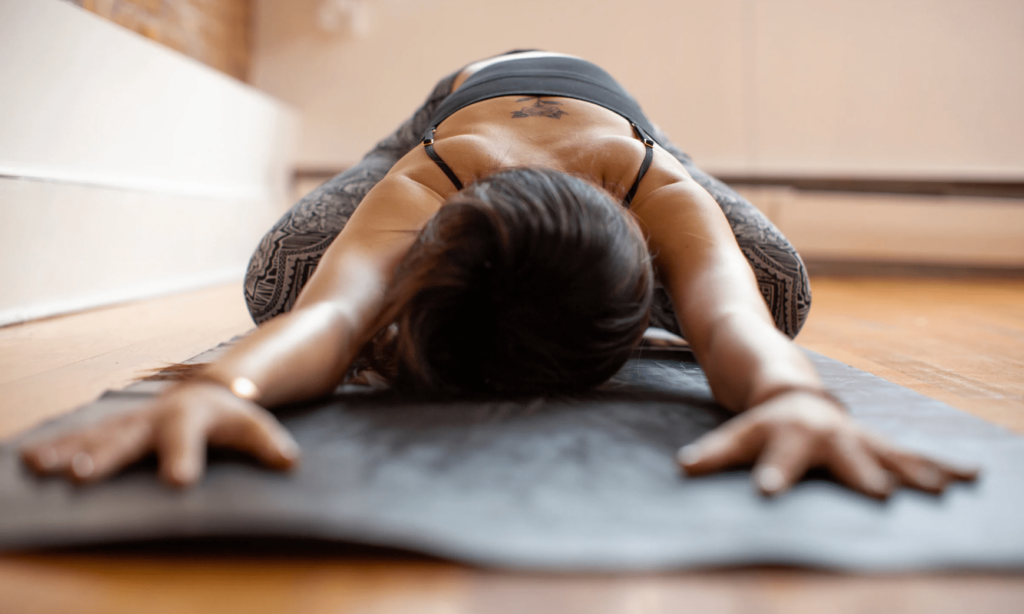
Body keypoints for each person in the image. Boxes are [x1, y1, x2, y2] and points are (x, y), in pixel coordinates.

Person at [21, 51, 975, 498]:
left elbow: (737, 325)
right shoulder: (444, 168)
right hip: (450, 105)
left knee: (773, 287)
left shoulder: (653, 184)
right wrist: (230, 386)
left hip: (610, 120)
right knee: (288, 277)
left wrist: (792, 400)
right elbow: (333, 307)